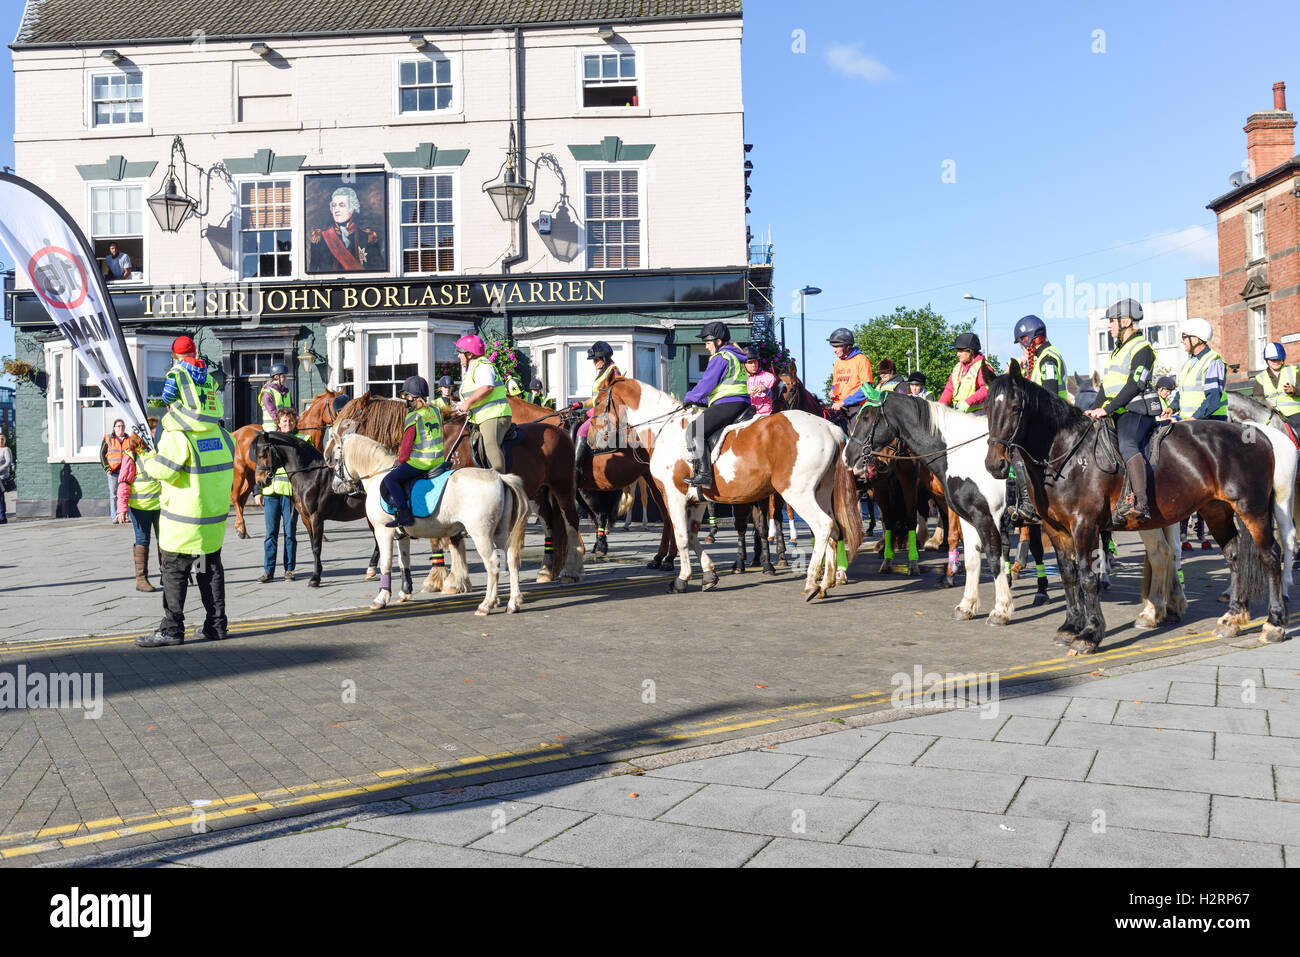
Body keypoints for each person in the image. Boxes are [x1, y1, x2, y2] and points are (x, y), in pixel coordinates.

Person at [136, 376, 236, 647]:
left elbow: (163, 470)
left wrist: (145, 454)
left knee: (174, 574)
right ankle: (216, 626)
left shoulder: (178, 436)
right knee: (209, 572)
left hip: (182, 525)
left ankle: (171, 629)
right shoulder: (223, 435)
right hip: (211, 526)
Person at [1085, 299, 1158, 522]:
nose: (1109, 326)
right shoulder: (1117, 352)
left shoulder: (1143, 349)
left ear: (1125, 321)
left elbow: (1134, 385)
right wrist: (1092, 410)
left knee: (1127, 444)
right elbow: (1107, 387)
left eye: (1111, 321)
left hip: (1137, 410)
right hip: (1117, 410)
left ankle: (1142, 503)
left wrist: (1107, 409)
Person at [1007, 315, 1068, 523]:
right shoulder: (1038, 360)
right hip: (1046, 418)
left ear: (1030, 339)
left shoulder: (1048, 359)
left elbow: (1049, 395)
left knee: (1017, 449)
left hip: (1054, 420)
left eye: (1022, 342)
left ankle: (1029, 505)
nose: (1022, 348)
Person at [682, 322, 751, 488]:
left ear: (718, 341)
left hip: (728, 403)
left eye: (707, 342)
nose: (706, 347)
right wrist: (701, 401)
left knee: (694, 430)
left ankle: (704, 475)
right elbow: (720, 387)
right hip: (741, 402)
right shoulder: (735, 356)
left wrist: (689, 397)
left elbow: (706, 385)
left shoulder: (721, 357)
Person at [380, 376, 445, 532]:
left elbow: (407, 444)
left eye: (406, 396)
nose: (406, 400)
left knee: (391, 480)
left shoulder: (413, 416)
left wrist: (400, 461)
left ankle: (404, 515)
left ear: (413, 397)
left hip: (422, 462)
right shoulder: (435, 410)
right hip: (439, 459)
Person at [255, 407, 304, 582]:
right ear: (279, 423)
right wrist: (257, 491)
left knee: (290, 533)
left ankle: (289, 570)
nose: (288, 424)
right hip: (270, 492)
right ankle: (268, 571)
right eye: (284, 421)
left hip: (291, 494)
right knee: (271, 534)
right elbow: (260, 463)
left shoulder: (302, 440)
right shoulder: (270, 440)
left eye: (291, 421)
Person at [455, 335, 511, 474]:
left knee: (490, 444)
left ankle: (501, 480)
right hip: (480, 418)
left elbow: (487, 387)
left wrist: (468, 403)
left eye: (460, 352)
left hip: (494, 416)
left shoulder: (482, 366)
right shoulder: (473, 369)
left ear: (469, 354)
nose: (458, 356)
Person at [570, 341, 622, 485]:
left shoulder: (613, 372)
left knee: (581, 431)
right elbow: (595, 398)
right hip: (596, 410)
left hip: (606, 414)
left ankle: (576, 469)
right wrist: (581, 404)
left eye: (596, 360)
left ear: (604, 359)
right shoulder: (602, 372)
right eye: (593, 360)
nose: (594, 362)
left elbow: (611, 398)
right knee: (572, 423)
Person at [115, 433, 160, 591]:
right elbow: (124, 482)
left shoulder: (158, 452)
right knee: (142, 540)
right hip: (140, 507)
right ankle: (141, 580)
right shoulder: (131, 455)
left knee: (165, 541)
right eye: (153, 433)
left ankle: (167, 576)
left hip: (161, 505)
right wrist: (122, 509)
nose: (156, 436)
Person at [1161, 317, 1226, 422]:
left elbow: (1213, 398)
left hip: (1209, 423)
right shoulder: (1189, 363)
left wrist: (1193, 418)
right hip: (1192, 422)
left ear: (1196, 339)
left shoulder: (1213, 362)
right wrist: (1172, 408)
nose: (1181, 341)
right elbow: (1182, 393)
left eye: (1184, 337)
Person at [309, 186, 384, 272]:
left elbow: (377, 270)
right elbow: (312, 271)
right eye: (334, 205)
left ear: (352, 208)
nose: (336, 210)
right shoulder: (320, 238)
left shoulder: (367, 237)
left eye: (342, 205)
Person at [159, 336, 224, 434]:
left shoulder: (177, 372)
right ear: (194, 353)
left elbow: (168, 395)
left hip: (186, 422)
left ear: (174, 355)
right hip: (211, 422)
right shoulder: (208, 376)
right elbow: (212, 390)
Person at [1253, 342, 1300, 433]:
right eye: (1272, 360)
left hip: (1294, 414)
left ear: (1283, 359)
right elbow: (1258, 398)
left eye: (1278, 359)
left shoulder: (1293, 371)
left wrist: (1294, 390)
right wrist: (1268, 406)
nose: (1276, 362)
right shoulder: (1261, 377)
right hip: (1272, 415)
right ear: (1267, 360)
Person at [939, 332, 992, 413]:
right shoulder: (958, 367)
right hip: (959, 413)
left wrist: (968, 402)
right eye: (957, 351)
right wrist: (940, 405)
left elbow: (986, 389)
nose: (957, 354)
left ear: (971, 352)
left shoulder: (983, 367)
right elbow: (949, 389)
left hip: (978, 414)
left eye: (961, 351)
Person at [828, 328, 873, 415]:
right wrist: (832, 391)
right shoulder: (837, 362)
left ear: (847, 346)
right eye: (833, 347)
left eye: (837, 346)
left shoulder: (861, 360)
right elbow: (836, 384)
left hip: (856, 407)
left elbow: (867, 389)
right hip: (837, 406)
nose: (834, 350)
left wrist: (844, 402)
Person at [99, 418, 129, 519]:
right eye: (118, 426)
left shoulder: (129, 439)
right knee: (114, 495)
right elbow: (102, 454)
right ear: (114, 428)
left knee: (126, 493)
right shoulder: (108, 438)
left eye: (122, 426)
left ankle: (126, 515)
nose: (121, 428)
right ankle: (115, 516)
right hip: (113, 472)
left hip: (126, 472)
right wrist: (106, 468)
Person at [258, 363, 293, 431]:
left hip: (286, 424)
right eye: (283, 377)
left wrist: (296, 418)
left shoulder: (287, 392)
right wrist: (279, 422)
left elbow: (292, 407)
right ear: (276, 377)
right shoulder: (268, 392)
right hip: (272, 425)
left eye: (286, 376)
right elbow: (272, 411)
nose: (286, 379)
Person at [744, 348, 777, 416]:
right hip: (746, 416)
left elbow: (777, 398)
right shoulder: (739, 379)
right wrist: (746, 396)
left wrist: (766, 390)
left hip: (767, 416)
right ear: (744, 364)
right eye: (750, 362)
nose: (754, 365)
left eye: (755, 361)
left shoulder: (769, 377)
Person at [0, 433, 13, 523]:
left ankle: (2, 517)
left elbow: (8, 462)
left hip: (2, 477)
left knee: (0, 497)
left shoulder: (6, 449)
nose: (1, 440)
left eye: (2, 439)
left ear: (5, 440)